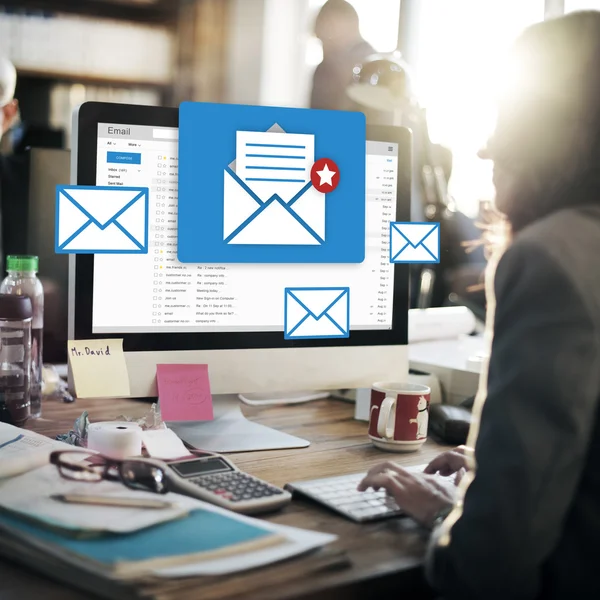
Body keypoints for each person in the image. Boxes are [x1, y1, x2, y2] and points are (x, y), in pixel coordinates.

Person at [358, 11, 600, 599]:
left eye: (506, 118)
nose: (488, 147)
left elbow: (492, 563)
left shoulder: (554, 257)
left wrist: (447, 516)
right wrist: (494, 475)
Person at [310, 0, 374, 111]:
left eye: (322, 39)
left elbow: (317, 123)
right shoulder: (379, 66)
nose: (324, 48)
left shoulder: (327, 70)